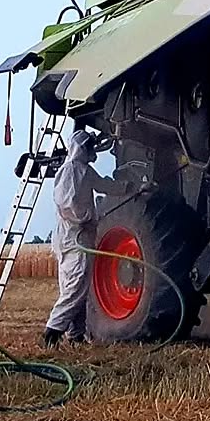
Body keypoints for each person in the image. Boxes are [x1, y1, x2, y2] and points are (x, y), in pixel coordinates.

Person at [41, 127, 140, 347]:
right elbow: (66, 204)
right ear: (81, 148)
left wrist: (130, 188)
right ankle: (52, 331)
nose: (92, 151)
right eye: (89, 147)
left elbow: (105, 186)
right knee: (75, 288)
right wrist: (86, 217)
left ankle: (76, 336)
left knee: (78, 288)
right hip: (75, 239)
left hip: (79, 237)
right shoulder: (69, 171)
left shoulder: (84, 170)